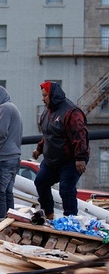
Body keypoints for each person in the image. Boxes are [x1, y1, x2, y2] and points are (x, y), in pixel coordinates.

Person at [32, 81, 90, 219]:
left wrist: (80, 158)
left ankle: (70, 220)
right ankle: (48, 215)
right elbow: (48, 135)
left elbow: (80, 135)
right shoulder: (47, 113)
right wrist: (39, 150)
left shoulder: (71, 112)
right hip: (52, 160)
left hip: (70, 159)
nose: (42, 98)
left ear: (52, 96)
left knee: (66, 189)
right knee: (40, 181)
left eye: (45, 96)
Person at [0, 85, 23, 220]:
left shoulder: (5, 108)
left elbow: (0, 133)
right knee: (7, 194)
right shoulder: (12, 108)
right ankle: (9, 225)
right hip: (12, 159)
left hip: (2, 160)